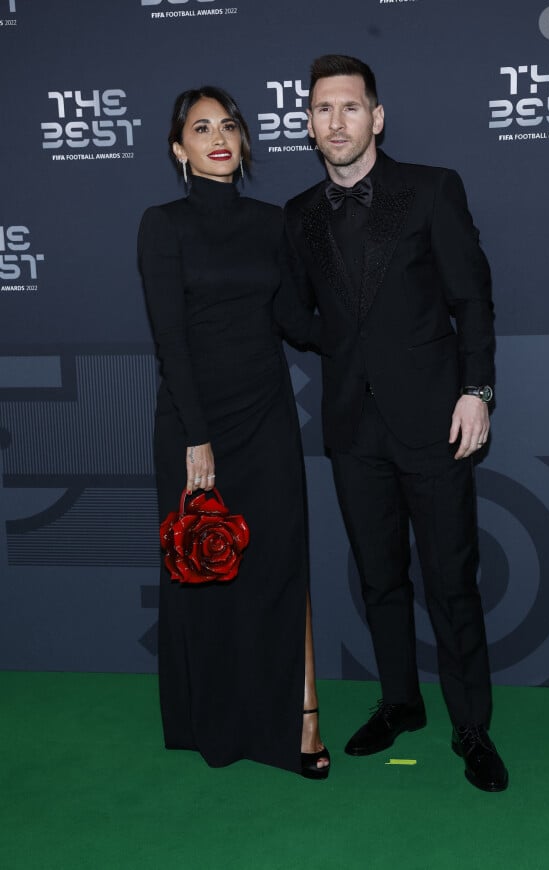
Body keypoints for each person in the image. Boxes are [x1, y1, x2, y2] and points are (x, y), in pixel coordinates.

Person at [282, 55, 508, 791]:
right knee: (380, 579)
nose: (335, 121)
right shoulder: (300, 214)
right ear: (308, 123)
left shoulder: (431, 190)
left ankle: (471, 726)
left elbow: (472, 297)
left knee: (451, 580)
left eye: (350, 107)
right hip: (352, 426)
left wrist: (476, 389)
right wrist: (332, 338)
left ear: (376, 117)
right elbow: (296, 311)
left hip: (436, 420)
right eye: (321, 109)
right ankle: (401, 703)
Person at [137, 86, 329, 779]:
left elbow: (294, 320)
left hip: (267, 415)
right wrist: (197, 436)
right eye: (200, 127)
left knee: (278, 565)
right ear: (178, 148)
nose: (217, 137)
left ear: (244, 142)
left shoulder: (271, 222)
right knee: (205, 572)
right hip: (197, 422)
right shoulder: (163, 224)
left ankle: (300, 719)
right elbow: (171, 340)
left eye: (228, 126)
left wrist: (367, 320)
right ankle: (215, 723)